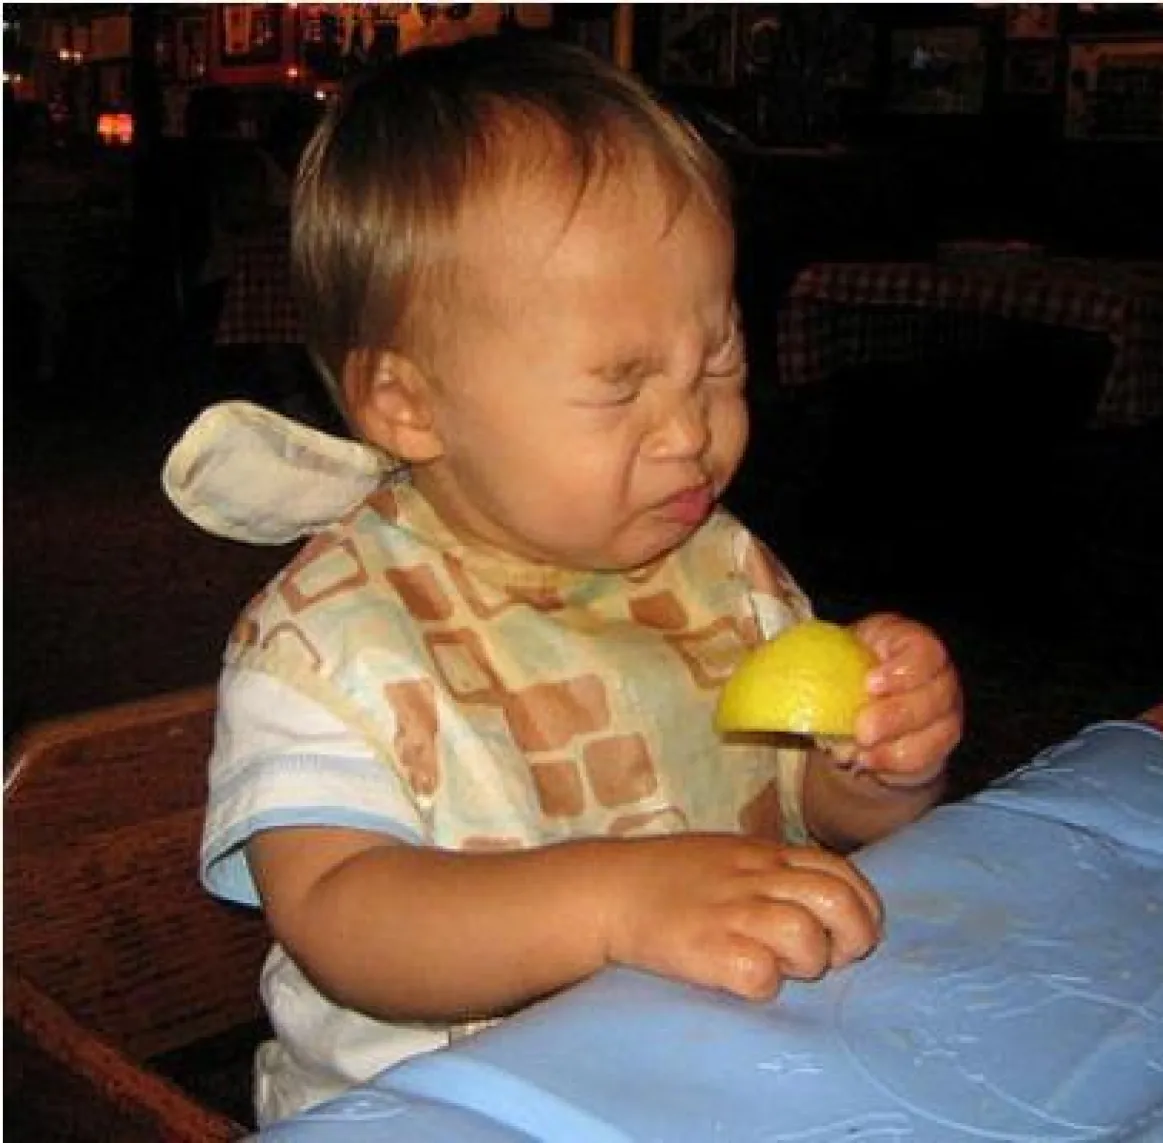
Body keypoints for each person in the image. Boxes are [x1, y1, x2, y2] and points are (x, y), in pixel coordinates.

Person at [164, 36, 962, 1125]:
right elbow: (340, 916)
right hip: (439, 1108)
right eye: (622, 384)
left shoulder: (719, 565)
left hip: (706, 1065)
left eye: (718, 359)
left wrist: (880, 761)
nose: (690, 430)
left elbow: (812, 802)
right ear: (410, 406)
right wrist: (617, 901)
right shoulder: (331, 638)